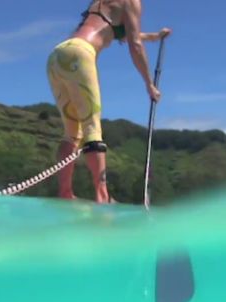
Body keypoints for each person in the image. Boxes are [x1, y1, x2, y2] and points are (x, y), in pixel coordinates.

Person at [47, 0, 171, 203]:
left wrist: (155, 37)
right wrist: (149, 84)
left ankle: (65, 193)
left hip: (59, 55)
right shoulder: (132, 1)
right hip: (81, 54)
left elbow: (116, 34)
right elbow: (134, 44)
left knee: (72, 132)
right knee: (92, 127)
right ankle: (102, 196)